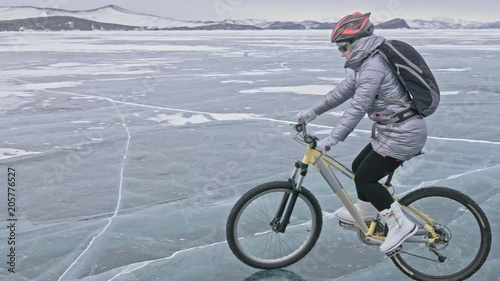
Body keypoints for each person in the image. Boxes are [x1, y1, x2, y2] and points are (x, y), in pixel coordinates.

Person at [294, 12, 427, 254]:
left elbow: (357, 107)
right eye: (339, 49)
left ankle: (401, 225)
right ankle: (366, 212)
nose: (342, 53)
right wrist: (312, 112)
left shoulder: (372, 66)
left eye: (343, 47)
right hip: (392, 131)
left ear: (358, 42)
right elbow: (340, 93)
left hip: (403, 135)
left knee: (365, 178)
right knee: (358, 167)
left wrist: (332, 139)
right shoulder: (366, 63)